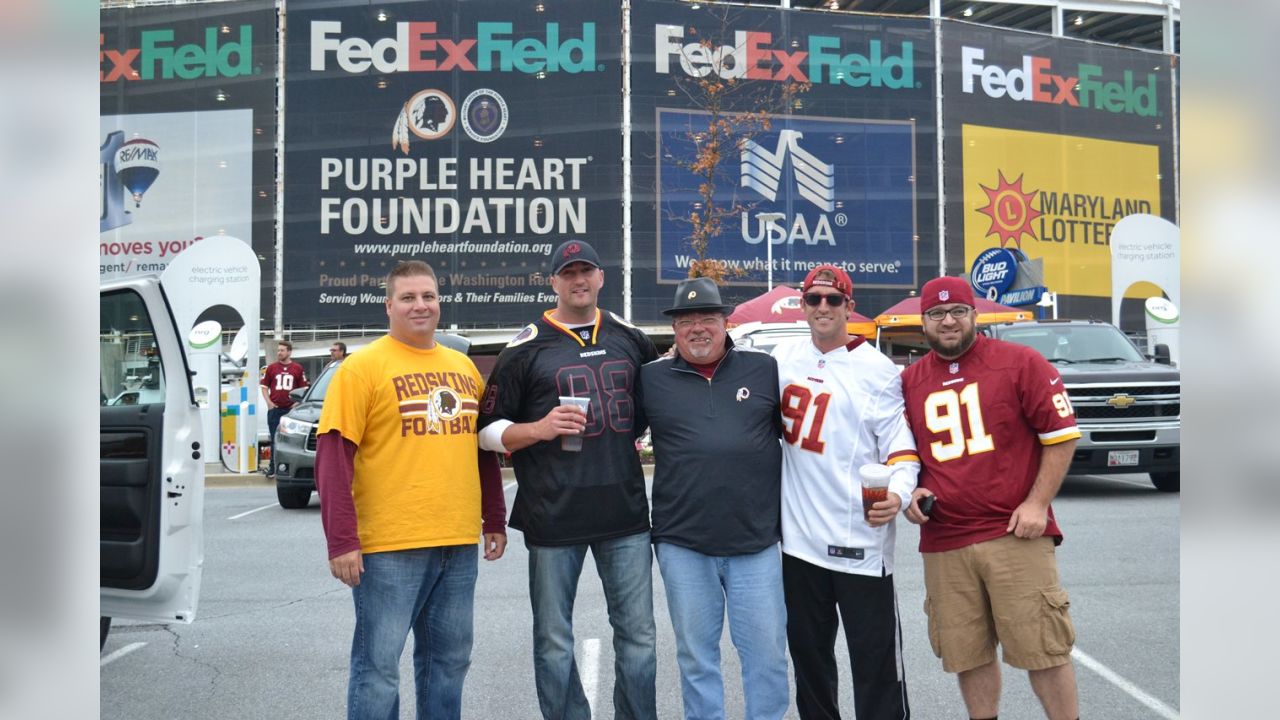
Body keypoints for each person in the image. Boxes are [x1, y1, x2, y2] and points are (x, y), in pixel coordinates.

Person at [314, 260, 508, 720]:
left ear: (439, 302)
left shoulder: (462, 367)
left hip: (456, 542)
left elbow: (481, 448)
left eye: (428, 296)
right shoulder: (361, 368)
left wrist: (494, 518)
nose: (420, 305)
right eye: (408, 297)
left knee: (449, 663)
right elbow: (332, 459)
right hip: (389, 546)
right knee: (378, 668)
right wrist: (342, 540)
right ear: (389, 305)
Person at [478, 239, 659, 720]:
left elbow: (646, 412)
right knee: (554, 639)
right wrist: (538, 429)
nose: (579, 280)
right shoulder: (525, 346)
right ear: (553, 281)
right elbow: (486, 430)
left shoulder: (630, 336)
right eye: (568, 272)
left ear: (601, 277)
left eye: (587, 271)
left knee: (639, 636)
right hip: (553, 514)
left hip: (624, 512)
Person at [900, 277, 1081, 720]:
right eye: (937, 314)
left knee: (1044, 648)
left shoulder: (1020, 362)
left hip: (1013, 533)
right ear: (923, 321)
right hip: (946, 538)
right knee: (968, 652)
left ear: (974, 315)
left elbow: (1060, 437)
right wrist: (911, 489)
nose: (948, 321)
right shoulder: (908, 380)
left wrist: (1037, 503)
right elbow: (904, 452)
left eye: (958, 311)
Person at [772, 265, 920, 720]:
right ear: (803, 305)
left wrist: (897, 492)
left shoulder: (877, 369)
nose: (822, 308)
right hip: (798, 545)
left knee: (874, 664)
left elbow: (903, 450)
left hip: (859, 542)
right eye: (813, 299)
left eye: (832, 300)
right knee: (811, 663)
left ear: (849, 307)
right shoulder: (782, 357)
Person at [638, 277, 789, 720]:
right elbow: (613, 435)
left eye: (708, 317)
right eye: (687, 321)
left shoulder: (764, 370)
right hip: (683, 543)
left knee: (767, 657)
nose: (698, 328)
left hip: (755, 542)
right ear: (675, 329)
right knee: (696, 659)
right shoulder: (650, 379)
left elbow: (803, 441)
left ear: (726, 323)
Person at [261, 339, 308, 478]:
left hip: (290, 410)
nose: (279, 353)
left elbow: (304, 388)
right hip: (275, 409)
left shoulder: (297, 368)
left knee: (290, 439)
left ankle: (287, 467)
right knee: (274, 439)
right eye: (278, 350)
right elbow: (264, 387)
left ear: (289, 352)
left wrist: (296, 404)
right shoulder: (271, 368)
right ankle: (272, 467)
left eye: (282, 350)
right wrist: (269, 403)